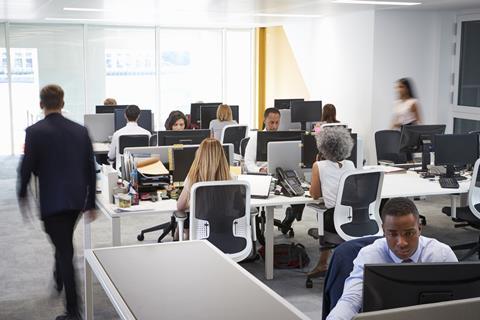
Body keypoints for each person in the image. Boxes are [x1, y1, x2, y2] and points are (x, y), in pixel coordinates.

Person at [17, 84, 97, 320]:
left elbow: (26, 168)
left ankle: (73, 311)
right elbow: (90, 169)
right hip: (75, 201)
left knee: (65, 252)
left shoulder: (34, 132)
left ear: (41, 104)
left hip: (52, 201)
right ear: (62, 104)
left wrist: (22, 194)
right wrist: (90, 202)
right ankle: (58, 275)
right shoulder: (80, 130)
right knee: (63, 243)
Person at [326, 197, 458, 320]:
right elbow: (351, 300)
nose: (401, 242)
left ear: (419, 228)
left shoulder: (441, 255)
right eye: (393, 234)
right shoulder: (370, 255)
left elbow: (460, 302)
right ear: (384, 230)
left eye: (409, 233)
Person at [244, 107, 303, 232]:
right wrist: (259, 170)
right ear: (265, 120)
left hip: (279, 175)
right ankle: (256, 229)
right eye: (271, 122)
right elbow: (248, 162)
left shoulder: (281, 137)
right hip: (262, 176)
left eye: (277, 122)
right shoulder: (255, 137)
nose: (274, 126)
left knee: (300, 192)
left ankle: (291, 216)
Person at [308, 127, 356, 277]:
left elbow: (315, 195)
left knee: (322, 212)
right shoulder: (350, 165)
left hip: (333, 220)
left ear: (323, 147)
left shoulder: (319, 166)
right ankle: (330, 261)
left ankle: (323, 263)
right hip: (353, 217)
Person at [176, 138, 232, 238]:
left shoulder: (192, 178)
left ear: (200, 155)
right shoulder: (231, 179)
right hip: (228, 233)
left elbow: (180, 206)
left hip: (201, 235)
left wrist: (192, 202)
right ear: (222, 155)